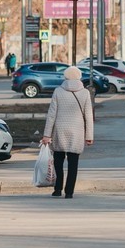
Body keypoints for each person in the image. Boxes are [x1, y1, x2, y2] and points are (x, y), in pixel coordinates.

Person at [43, 66, 94, 198]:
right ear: (79, 77)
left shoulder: (58, 91)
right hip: (77, 131)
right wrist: (89, 136)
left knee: (58, 161)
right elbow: (88, 115)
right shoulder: (85, 93)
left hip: (60, 130)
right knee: (73, 163)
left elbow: (51, 114)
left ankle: (58, 189)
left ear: (65, 77)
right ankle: (69, 192)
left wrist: (47, 135)